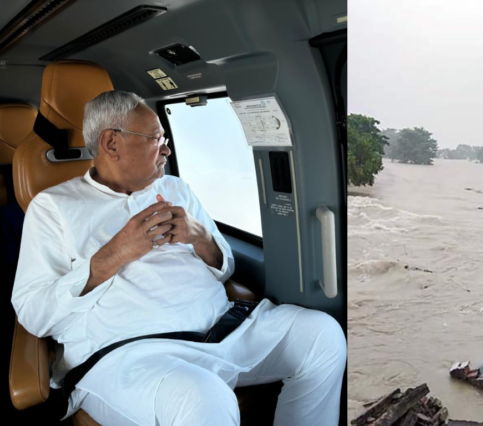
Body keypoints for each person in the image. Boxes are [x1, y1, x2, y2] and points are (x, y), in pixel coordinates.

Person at [11, 91, 346, 426]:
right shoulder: (52, 207)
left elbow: (224, 265)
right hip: (132, 355)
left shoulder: (176, 189)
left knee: (323, 337)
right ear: (111, 144)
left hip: (226, 329)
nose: (167, 150)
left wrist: (198, 237)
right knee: (205, 398)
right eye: (156, 139)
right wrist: (115, 254)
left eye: (166, 139)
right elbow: (34, 313)